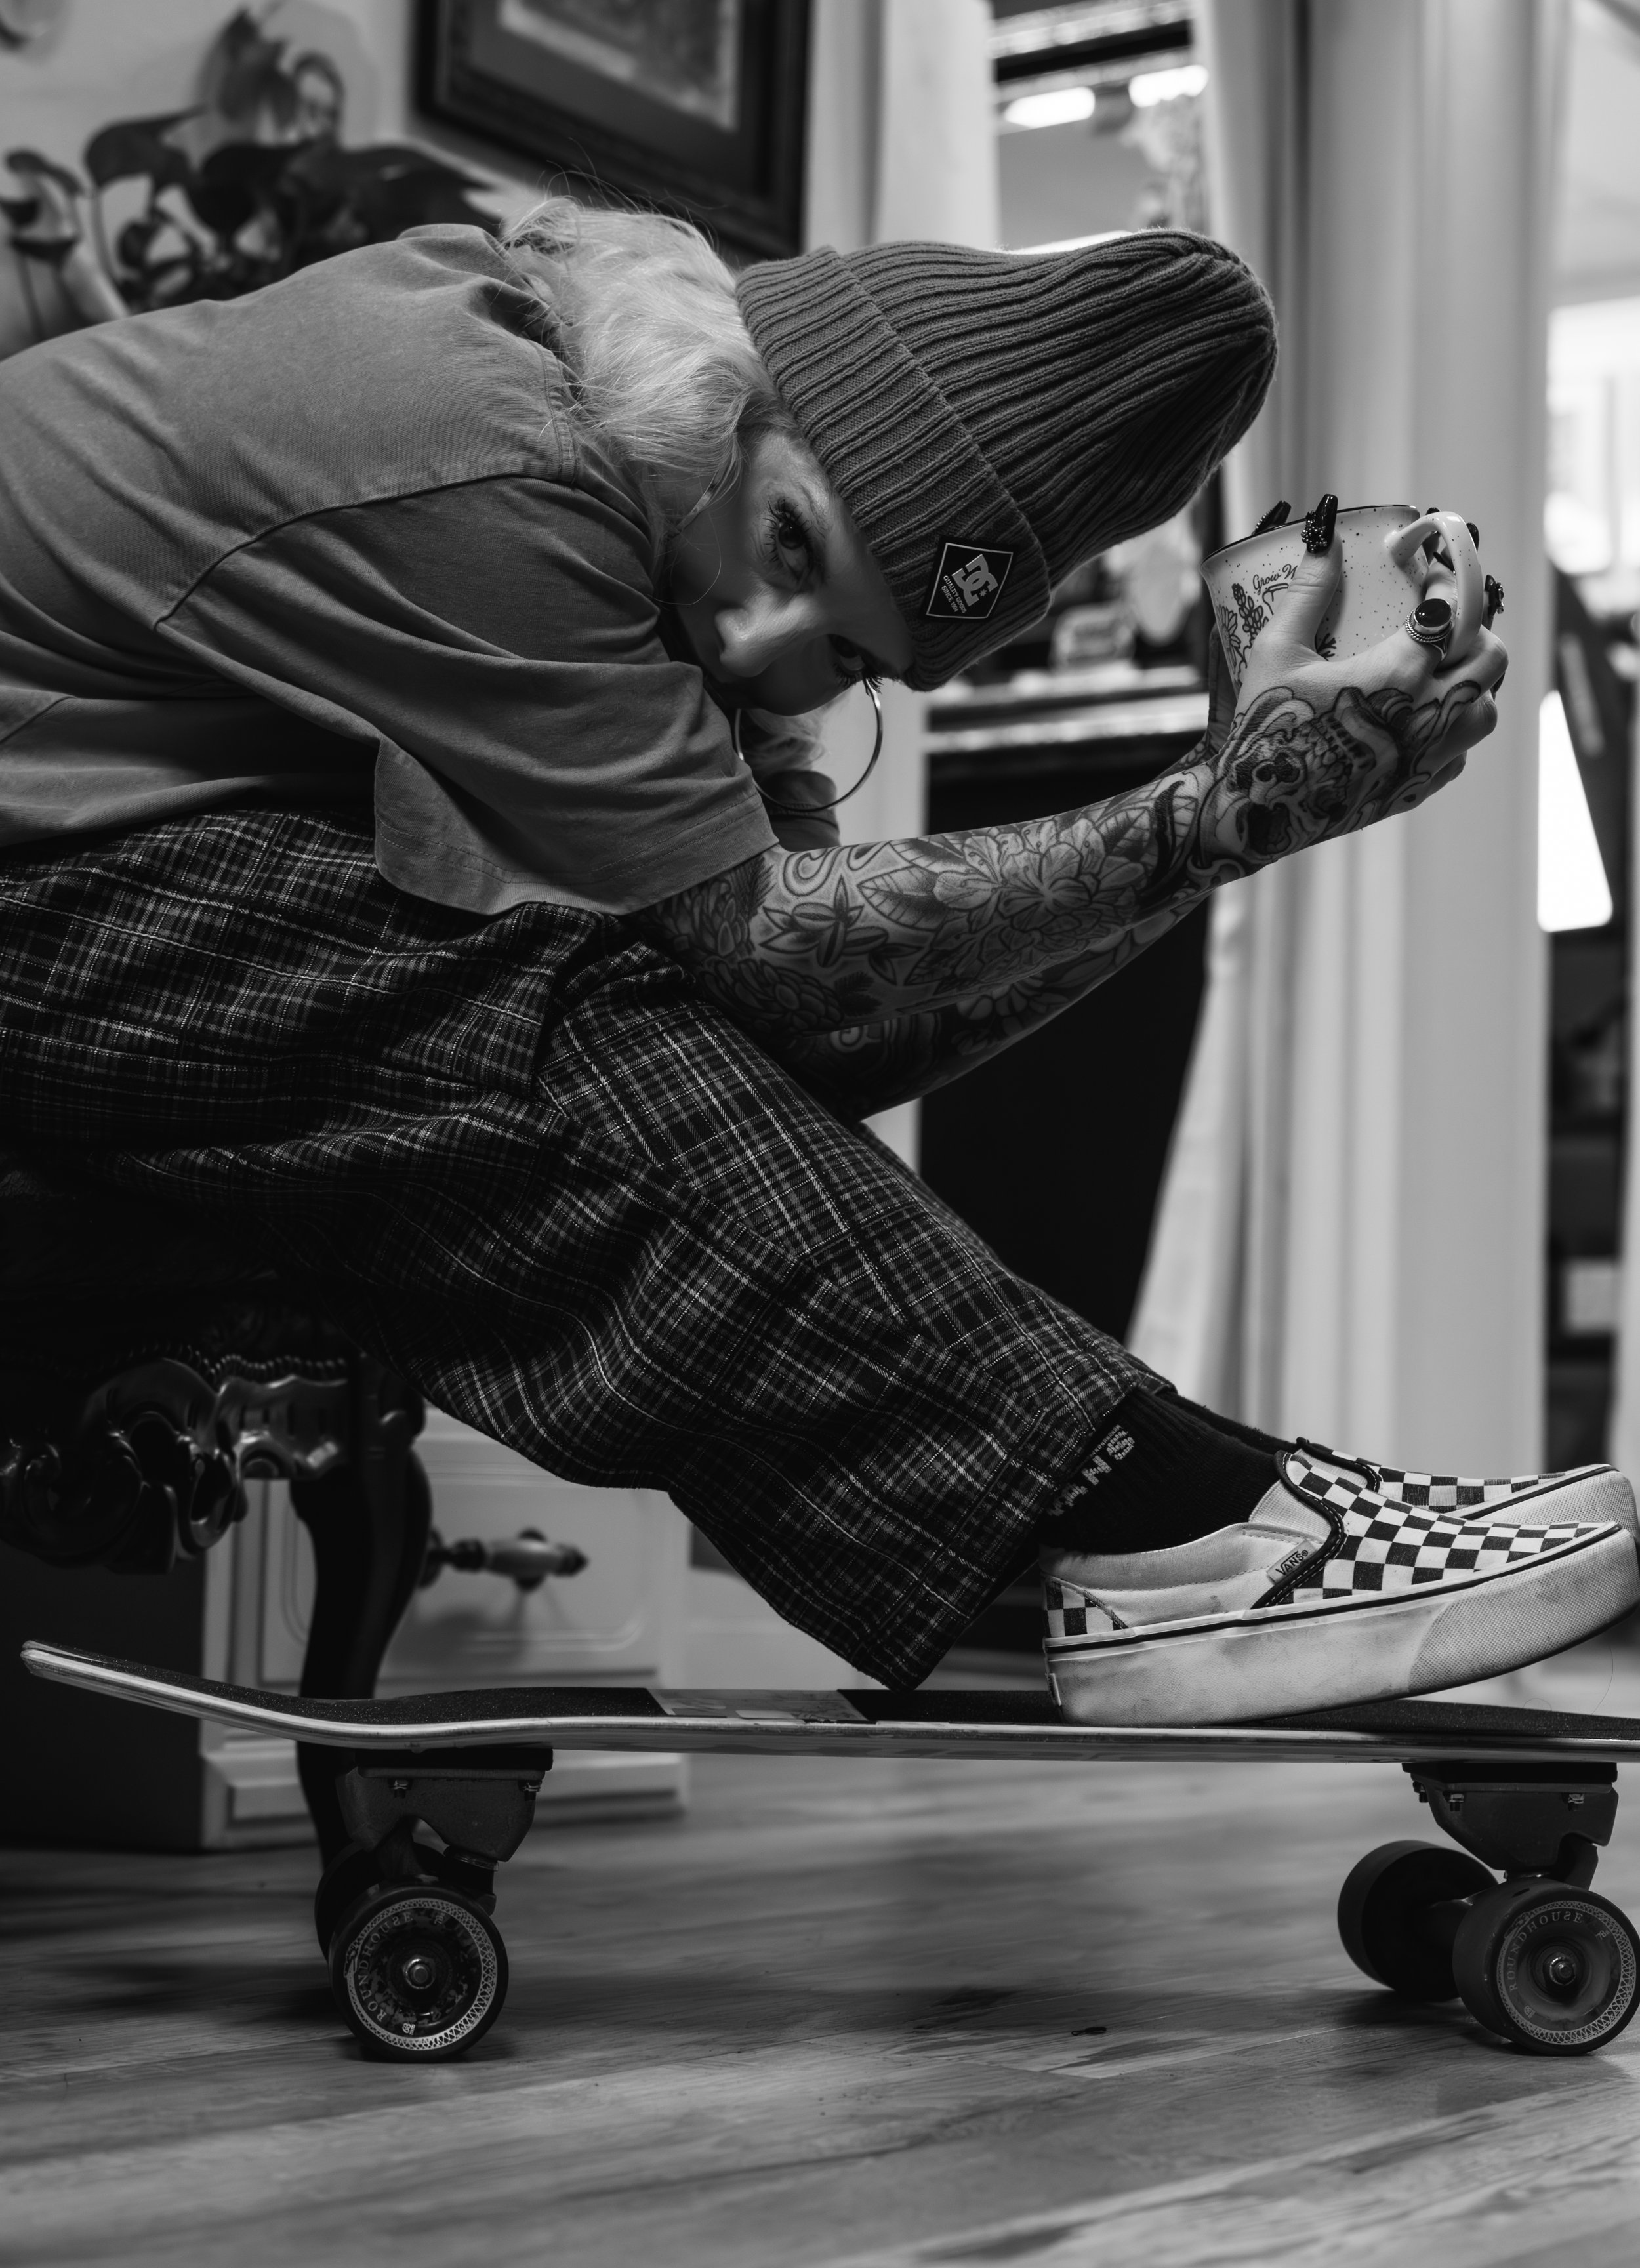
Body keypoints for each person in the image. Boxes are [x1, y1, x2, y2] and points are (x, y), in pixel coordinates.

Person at [0, 200, 1631, 1728]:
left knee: (531, 986)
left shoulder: (646, 517)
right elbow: (773, 959)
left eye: (846, 652)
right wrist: (1212, 814)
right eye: (789, 543)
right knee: (476, 999)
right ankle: (1161, 1512)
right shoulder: (496, 434)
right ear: (737, 391)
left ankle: (1168, 1510)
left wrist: (1235, 824)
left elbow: (808, 1039)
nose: (760, 647)